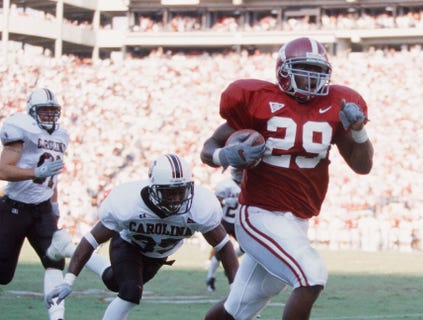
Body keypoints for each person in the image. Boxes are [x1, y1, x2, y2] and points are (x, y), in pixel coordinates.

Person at [200, 37, 374, 320]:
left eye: (318, 71)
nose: (311, 78)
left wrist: (358, 131)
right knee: (311, 276)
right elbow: (208, 148)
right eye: (304, 69)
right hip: (259, 213)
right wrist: (224, 156)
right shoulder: (258, 101)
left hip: (298, 220)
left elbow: (362, 166)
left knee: (240, 306)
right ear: (283, 70)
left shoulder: (336, 106)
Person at [44, 153, 239, 319]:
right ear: (153, 187)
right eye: (169, 193)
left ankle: (67, 248)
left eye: (181, 191)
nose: (176, 199)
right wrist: (69, 280)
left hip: (157, 256)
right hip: (128, 244)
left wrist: (238, 291)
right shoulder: (128, 203)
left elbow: (224, 246)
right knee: (130, 292)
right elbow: (91, 239)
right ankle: (69, 248)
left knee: (113, 281)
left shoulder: (200, 205)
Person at [0, 87, 70, 320]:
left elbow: (53, 176)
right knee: (2, 274)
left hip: (42, 209)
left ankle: (57, 316)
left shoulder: (62, 136)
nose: (50, 116)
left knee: (55, 261)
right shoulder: (21, 128)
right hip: (15, 208)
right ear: (31, 112)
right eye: (44, 111)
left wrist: (54, 206)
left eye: (53, 111)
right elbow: (3, 170)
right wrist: (35, 171)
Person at [206, 167, 244, 292]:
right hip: (224, 221)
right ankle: (210, 278)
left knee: (246, 248)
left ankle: (228, 259)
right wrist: (226, 201)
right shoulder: (225, 185)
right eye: (239, 171)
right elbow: (214, 202)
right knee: (220, 248)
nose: (241, 173)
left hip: (238, 223)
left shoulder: (248, 183)